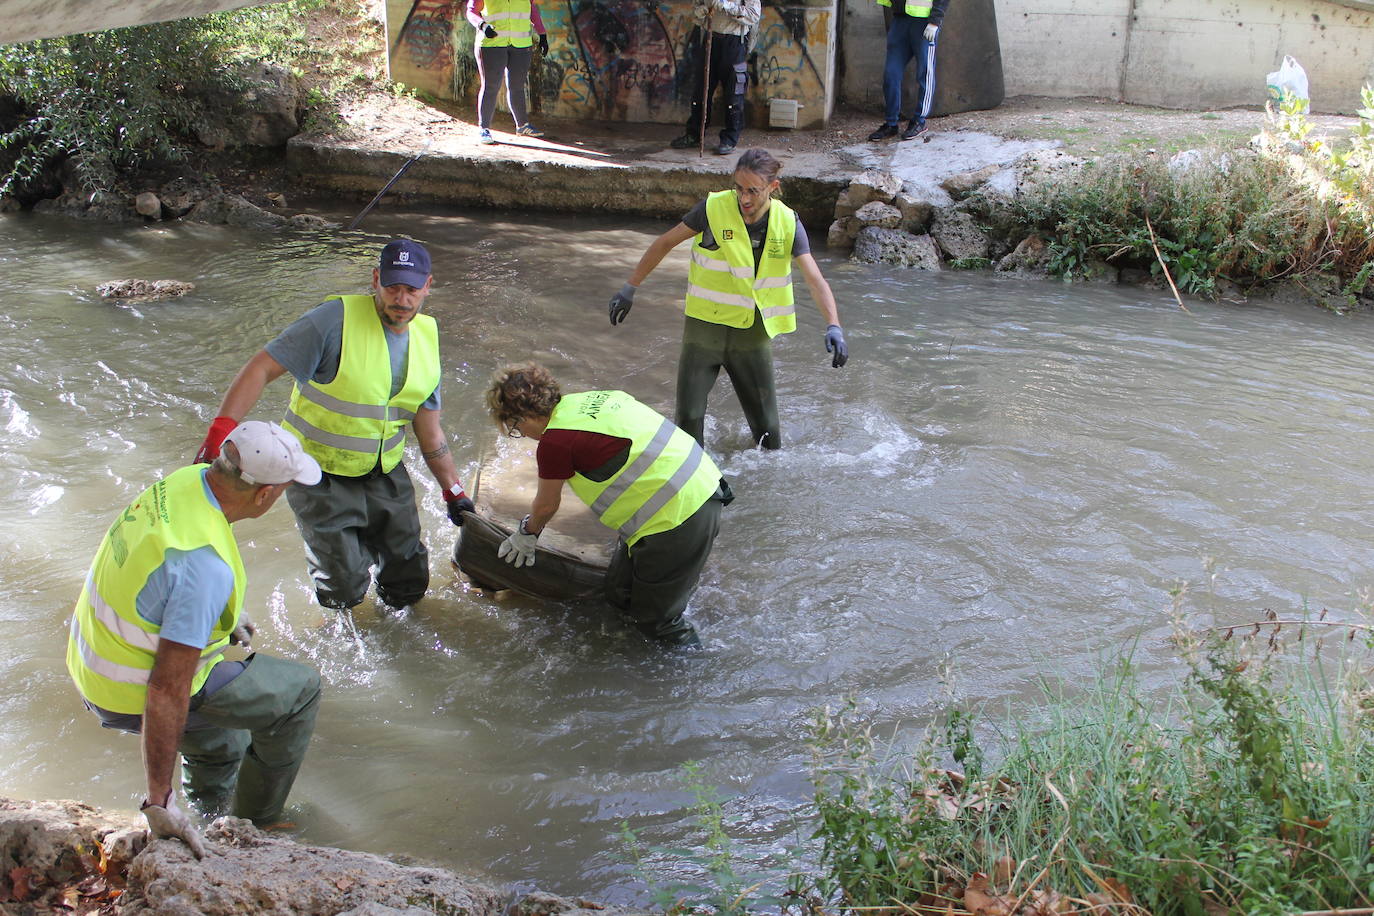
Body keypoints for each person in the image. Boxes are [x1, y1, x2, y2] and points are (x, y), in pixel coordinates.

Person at [67, 421, 324, 857]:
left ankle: (211, 817)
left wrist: (222, 615)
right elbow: (167, 689)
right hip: (127, 691)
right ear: (264, 495)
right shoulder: (202, 569)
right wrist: (157, 801)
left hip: (90, 662)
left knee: (224, 740)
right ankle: (259, 824)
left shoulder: (184, 481)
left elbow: (160, 579)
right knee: (300, 691)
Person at [194, 239, 474, 614]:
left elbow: (430, 432)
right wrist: (217, 437)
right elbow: (261, 368)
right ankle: (347, 632)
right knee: (342, 584)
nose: (401, 300)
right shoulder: (332, 321)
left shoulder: (426, 337)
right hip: (318, 476)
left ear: (428, 286)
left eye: (411, 289)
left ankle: (400, 638)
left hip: (386, 476)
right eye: (392, 287)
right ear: (375, 280)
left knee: (408, 576)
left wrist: (453, 490)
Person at [606, 148, 849, 450]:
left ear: (773, 188)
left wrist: (833, 325)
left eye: (753, 191)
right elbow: (665, 242)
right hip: (703, 332)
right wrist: (630, 287)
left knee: (768, 434)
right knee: (689, 419)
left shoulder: (788, 222)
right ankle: (694, 486)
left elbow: (815, 279)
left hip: (752, 337)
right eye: (738, 188)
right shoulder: (712, 208)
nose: (744, 198)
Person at [485, 363, 731, 648]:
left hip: (679, 516)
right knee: (618, 594)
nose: (521, 434)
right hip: (705, 486)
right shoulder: (593, 399)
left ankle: (692, 676)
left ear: (524, 415)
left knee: (656, 622)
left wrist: (526, 535)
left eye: (515, 427)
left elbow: (546, 505)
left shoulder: (555, 442)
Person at [669, 0, 761, 156]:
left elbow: (753, 15)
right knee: (701, 91)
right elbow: (695, 12)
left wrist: (726, 6)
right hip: (711, 39)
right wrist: (704, 10)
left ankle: (729, 139)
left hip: (734, 42)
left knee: (734, 95)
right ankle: (694, 134)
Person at [467, 0, 549, 144]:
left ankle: (522, 126)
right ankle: (483, 128)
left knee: (517, 87)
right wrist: (482, 26)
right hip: (492, 44)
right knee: (490, 87)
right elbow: (471, 11)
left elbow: (531, 9)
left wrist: (542, 34)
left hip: (521, 44)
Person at [867, 0, 950, 142]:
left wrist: (935, 21)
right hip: (900, 20)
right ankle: (891, 123)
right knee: (891, 75)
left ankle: (920, 120)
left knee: (925, 73)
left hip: (924, 22)